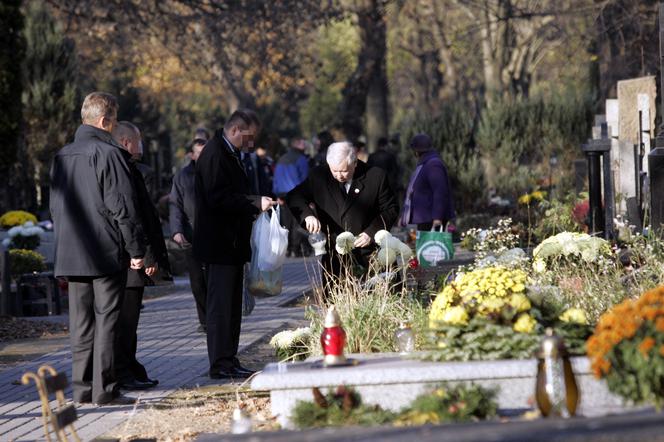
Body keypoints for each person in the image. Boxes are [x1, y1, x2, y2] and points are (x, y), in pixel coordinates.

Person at [50, 92, 145, 405]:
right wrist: (136, 250)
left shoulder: (62, 155)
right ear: (105, 121)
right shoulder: (110, 153)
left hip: (71, 251)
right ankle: (105, 390)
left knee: (80, 323)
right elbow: (122, 207)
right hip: (105, 251)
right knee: (107, 321)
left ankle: (81, 388)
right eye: (114, 121)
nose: (114, 127)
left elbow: (55, 206)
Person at [193, 109, 276, 379]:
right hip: (219, 243)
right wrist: (253, 202)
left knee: (232, 306)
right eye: (249, 137)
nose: (251, 144)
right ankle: (219, 362)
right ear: (236, 130)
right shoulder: (216, 153)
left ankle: (229, 358)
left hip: (231, 243)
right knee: (221, 306)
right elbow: (219, 197)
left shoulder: (230, 153)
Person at [111, 121, 169, 390]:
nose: (141, 146)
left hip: (129, 256)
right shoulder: (124, 170)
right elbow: (132, 217)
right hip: (127, 258)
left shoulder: (131, 168)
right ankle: (124, 371)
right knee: (125, 321)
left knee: (129, 322)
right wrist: (144, 255)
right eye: (138, 140)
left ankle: (130, 367)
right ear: (126, 142)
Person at [287, 141, 399, 280]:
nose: (339, 175)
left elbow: (390, 209)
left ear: (355, 163)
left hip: (371, 253)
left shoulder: (375, 176)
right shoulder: (319, 176)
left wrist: (371, 232)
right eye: (335, 171)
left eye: (344, 171)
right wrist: (307, 216)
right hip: (336, 257)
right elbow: (294, 197)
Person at [170, 138, 208, 333]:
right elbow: (175, 204)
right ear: (192, 155)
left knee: (214, 280)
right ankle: (204, 320)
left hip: (213, 235)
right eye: (198, 153)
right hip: (191, 235)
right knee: (197, 281)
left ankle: (217, 318)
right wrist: (176, 230)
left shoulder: (217, 172)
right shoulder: (183, 176)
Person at [399, 133, 455, 231]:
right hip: (426, 218)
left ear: (416, 151)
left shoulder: (433, 164)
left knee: (431, 246)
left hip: (432, 219)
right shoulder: (425, 164)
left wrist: (437, 217)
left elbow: (440, 191)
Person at [273, 138, 311, 257]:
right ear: (298, 144)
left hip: (282, 194)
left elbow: (276, 177)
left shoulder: (282, 158)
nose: (304, 144)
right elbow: (305, 178)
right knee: (297, 222)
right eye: (302, 142)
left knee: (286, 222)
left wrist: (277, 194)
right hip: (296, 194)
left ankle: (287, 249)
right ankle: (295, 248)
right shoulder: (301, 159)